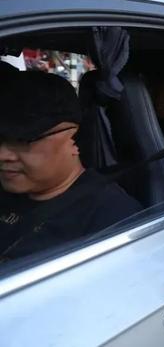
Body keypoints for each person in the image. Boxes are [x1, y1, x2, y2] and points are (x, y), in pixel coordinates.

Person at [0, 70, 142, 263]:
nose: (3, 155)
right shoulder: (7, 190)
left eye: (22, 140)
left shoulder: (112, 218)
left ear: (74, 138)